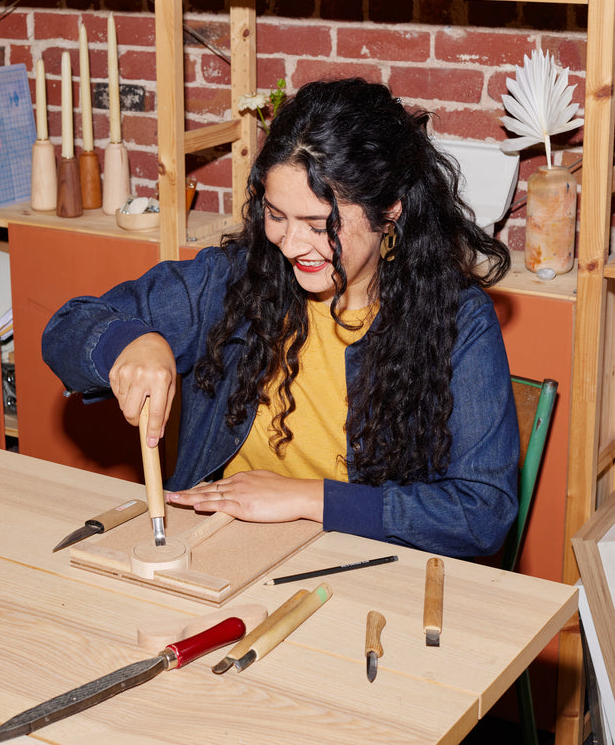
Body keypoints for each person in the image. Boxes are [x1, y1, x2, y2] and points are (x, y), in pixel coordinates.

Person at [42, 77, 519, 557]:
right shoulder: (235, 280)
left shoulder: (458, 322)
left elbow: (482, 514)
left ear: (389, 211)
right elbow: (66, 327)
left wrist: (307, 497)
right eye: (276, 215)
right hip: (217, 544)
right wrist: (129, 342)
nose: (290, 246)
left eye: (319, 226)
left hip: (357, 566)